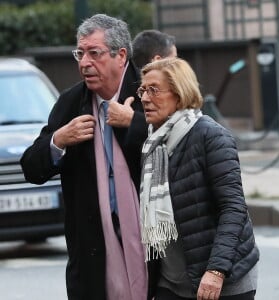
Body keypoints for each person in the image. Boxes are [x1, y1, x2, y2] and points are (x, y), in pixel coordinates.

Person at [20, 14, 149, 300]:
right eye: (80, 53)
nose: (84, 63)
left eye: (94, 53)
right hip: (92, 253)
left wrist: (135, 122)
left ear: (121, 55)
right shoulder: (71, 103)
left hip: (153, 245)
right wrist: (58, 140)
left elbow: (179, 143)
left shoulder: (147, 92)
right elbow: (31, 167)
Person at [137, 57, 259, 300]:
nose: (144, 98)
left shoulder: (211, 136)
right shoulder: (153, 142)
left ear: (180, 94)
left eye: (154, 90)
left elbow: (233, 208)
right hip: (171, 281)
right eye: (142, 89)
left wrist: (216, 271)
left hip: (222, 279)